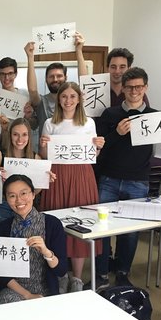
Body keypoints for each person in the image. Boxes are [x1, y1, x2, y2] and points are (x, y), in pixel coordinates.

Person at [93, 67, 161, 289]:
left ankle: (123, 272)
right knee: (102, 229)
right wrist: (116, 134)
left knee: (130, 232)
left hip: (138, 181)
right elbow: (101, 149)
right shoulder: (110, 114)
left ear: (145, 87)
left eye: (138, 87)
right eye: (129, 87)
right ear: (123, 89)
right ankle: (100, 272)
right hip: (109, 178)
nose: (134, 91)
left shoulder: (157, 116)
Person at [39, 82, 105, 293]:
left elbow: (92, 155)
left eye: (72, 97)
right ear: (58, 100)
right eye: (64, 97)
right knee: (57, 225)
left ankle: (77, 278)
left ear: (79, 99)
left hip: (81, 175)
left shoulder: (88, 123)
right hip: (57, 176)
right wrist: (42, 146)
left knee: (80, 223)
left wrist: (98, 148)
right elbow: (44, 156)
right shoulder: (50, 123)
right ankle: (61, 273)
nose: (68, 101)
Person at [0, 175, 67, 302]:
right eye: (12, 196)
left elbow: (61, 270)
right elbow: (2, 273)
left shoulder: (52, 224)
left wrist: (46, 252)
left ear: (33, 194)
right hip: (14, 290)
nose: (19, 200)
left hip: (46, 288)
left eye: (24, 193)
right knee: (9, 301)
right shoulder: (3, 227)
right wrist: (27, 295)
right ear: (6, 199)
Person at [0, 117, 48, 223]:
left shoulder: (35, 158)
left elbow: (34, 192)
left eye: (24, 135)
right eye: (15, 134)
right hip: (2, 209)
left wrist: (44, 180)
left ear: (29, 136)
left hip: (25, 207)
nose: (20, 139)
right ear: (10, 135)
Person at [35, 33, 87, 135]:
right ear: (46, 79)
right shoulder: (42, 102)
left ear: (66, 78)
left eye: (59, 76)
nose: (55, 79)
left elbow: (84, 80)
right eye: (51, 76)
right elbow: (32, 90)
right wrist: (30, 56)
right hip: (50, 149)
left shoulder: (76, 101)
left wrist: (79, 50)